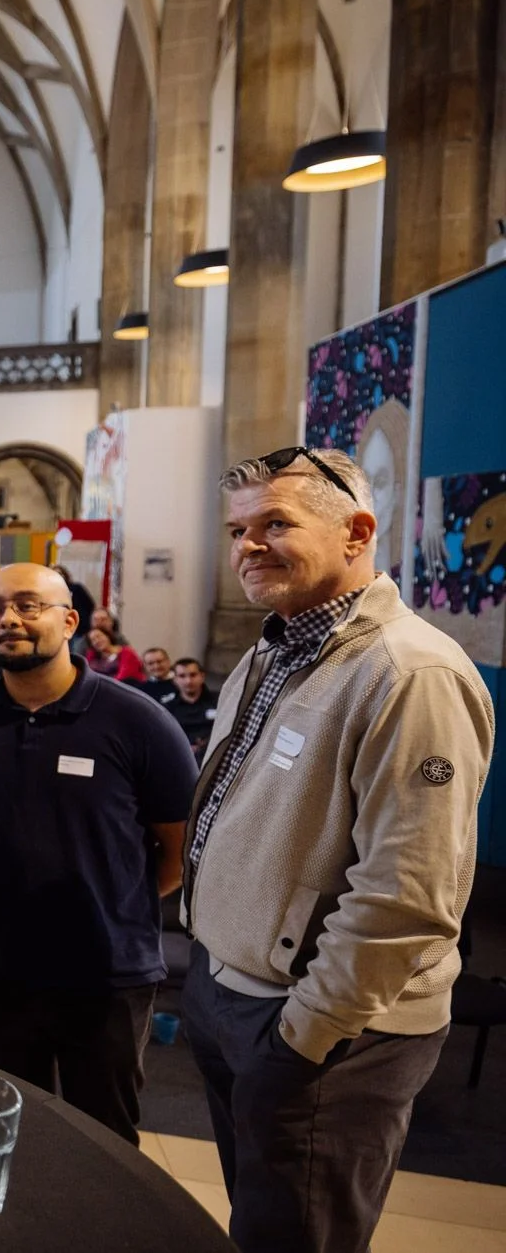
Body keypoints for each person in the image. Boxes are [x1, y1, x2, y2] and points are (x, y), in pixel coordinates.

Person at [181, 448, 492, 1253]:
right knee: (260, 1218)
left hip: (326, 1030)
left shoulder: (409, 672)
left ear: (357, 531)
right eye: (239, 529)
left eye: (276, 523)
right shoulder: (272, 647)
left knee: (298, 1236)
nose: (249, 545)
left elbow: (407, 893)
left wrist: (306, 1033)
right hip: (231, 993)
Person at [0, 563, 198, 1145]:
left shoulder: (139, 723)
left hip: (105, 974)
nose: (8, 621)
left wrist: (109, 896)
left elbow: (179, 852)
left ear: (71, 620)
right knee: (2, 1132)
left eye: (28, 606)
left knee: (100, 1143)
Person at [161, 657, 220, 757]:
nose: (188, 681)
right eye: (182, 676)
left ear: (202, 676)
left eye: (193, 675)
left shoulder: (220, 701)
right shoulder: (167, 709)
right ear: (175, 680)